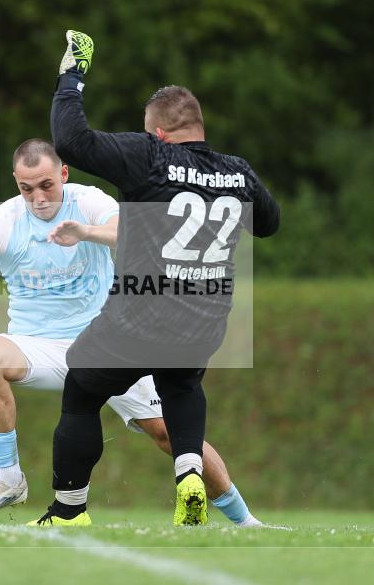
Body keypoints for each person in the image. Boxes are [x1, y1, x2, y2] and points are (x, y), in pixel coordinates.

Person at [0, 138, 261, 526]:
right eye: (26, 188)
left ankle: (245, 521)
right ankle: (10, 479)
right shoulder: (2, 221)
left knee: (168, 433)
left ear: (64, 174)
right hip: (38, 346)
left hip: (109, 343)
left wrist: (85, 232)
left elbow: (128, 231)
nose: (38, 197)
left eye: (46, 185)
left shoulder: (87, 200)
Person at [28, 32, 280, 527]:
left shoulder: (151, 156)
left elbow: (72, 141)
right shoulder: (237, 172)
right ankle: (189, 475)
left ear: (159, 134)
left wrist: (71, 76)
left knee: (82, 388)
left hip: (141, 314)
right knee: (180, 385)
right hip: (205, 319)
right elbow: (269, 223)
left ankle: (69, 510)